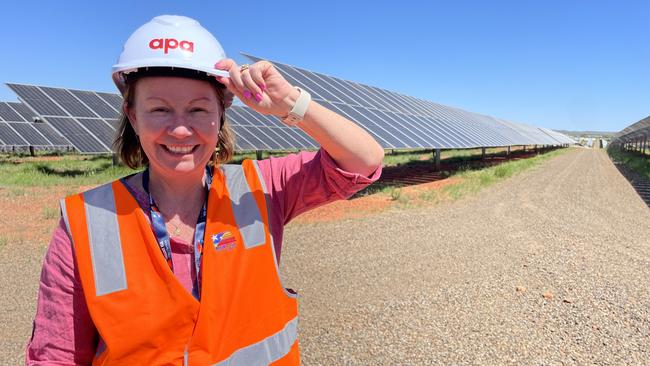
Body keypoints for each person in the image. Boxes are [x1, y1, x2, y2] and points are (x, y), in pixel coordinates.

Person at [26, 15, 383, 365]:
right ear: (133, 116)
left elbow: (364, 162)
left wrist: (291, 103)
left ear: (221, 114)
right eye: (159, 109)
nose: (180, 130)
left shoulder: (261, 187)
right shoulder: (85, 223)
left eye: (198, 109)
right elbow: (55, 355)